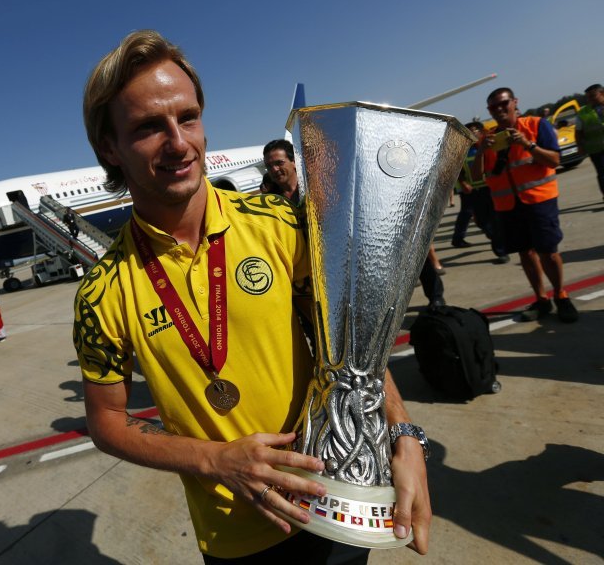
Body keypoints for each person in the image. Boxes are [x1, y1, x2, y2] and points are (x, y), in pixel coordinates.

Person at [74, 30, 430, 562]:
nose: (179, 143)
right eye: (149, 127)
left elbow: (353, 345)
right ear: (109, 147)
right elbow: (106, 422)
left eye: (188, 117)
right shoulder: (101, 293)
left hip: (339, 495)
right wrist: (214, 461)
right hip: (237, 532)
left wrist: (402, 433)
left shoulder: (278, 222)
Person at [472, 87, 578, 323]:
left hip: (539, 199)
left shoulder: (536, 125)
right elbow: (477, 175)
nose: (499, 109)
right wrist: (481, 151)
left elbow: (554, 160)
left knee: (548, 252)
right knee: (525, 253)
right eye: (494, 107)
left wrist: (527, 144)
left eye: (504, 103)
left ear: (514, 102)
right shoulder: (487, 138)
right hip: (507, 206)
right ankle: (541, 300)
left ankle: (561, 295)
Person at [460, 122, 509, 263]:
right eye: (467, 132)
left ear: (481, 132)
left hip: (490, 188)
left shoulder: (491, 146)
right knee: (481, 221)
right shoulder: (463, 150)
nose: (470, 135)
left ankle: (501, 252)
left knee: (495, 220)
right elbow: (458, 169)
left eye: (473, 131)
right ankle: (497, 237)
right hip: (474, 191)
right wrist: (463, 183)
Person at [575, 83, 604, 200]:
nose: (589, 99)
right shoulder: (583, 112)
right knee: (602, 173)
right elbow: (578, 132)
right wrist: (580, 146)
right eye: (587, 97)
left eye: (592, 96)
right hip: (596, 150)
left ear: (602, 93)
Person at [262, 139, 302, 205]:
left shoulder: (313, 189)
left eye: (279, 163)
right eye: (269, 166)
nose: (274, 169)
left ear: (295, 162)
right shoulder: (269, 202)